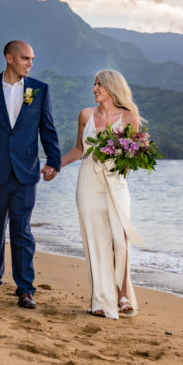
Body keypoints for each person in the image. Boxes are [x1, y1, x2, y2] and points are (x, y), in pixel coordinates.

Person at [0, 40, 61, 309]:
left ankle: (25, 290)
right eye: (25, 58)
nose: (31, 63)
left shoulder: (39, 89)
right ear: (9, 58)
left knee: (22, 232)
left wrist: (54, 161)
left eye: (32, 59)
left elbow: (48, 129)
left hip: (26, 172)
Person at [60, 70, 143, 319]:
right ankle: (100, 299)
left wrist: (124, 159)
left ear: (112, 88)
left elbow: (132, 157)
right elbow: (78, 150)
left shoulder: (130, 118)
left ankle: (123, 293)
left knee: (120, 238)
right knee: (94, 240)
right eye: (94, 84)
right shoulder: (85, 115)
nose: (94, 89)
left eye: (99, 85)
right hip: (88, 181)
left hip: (115, 183)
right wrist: (54, 166)